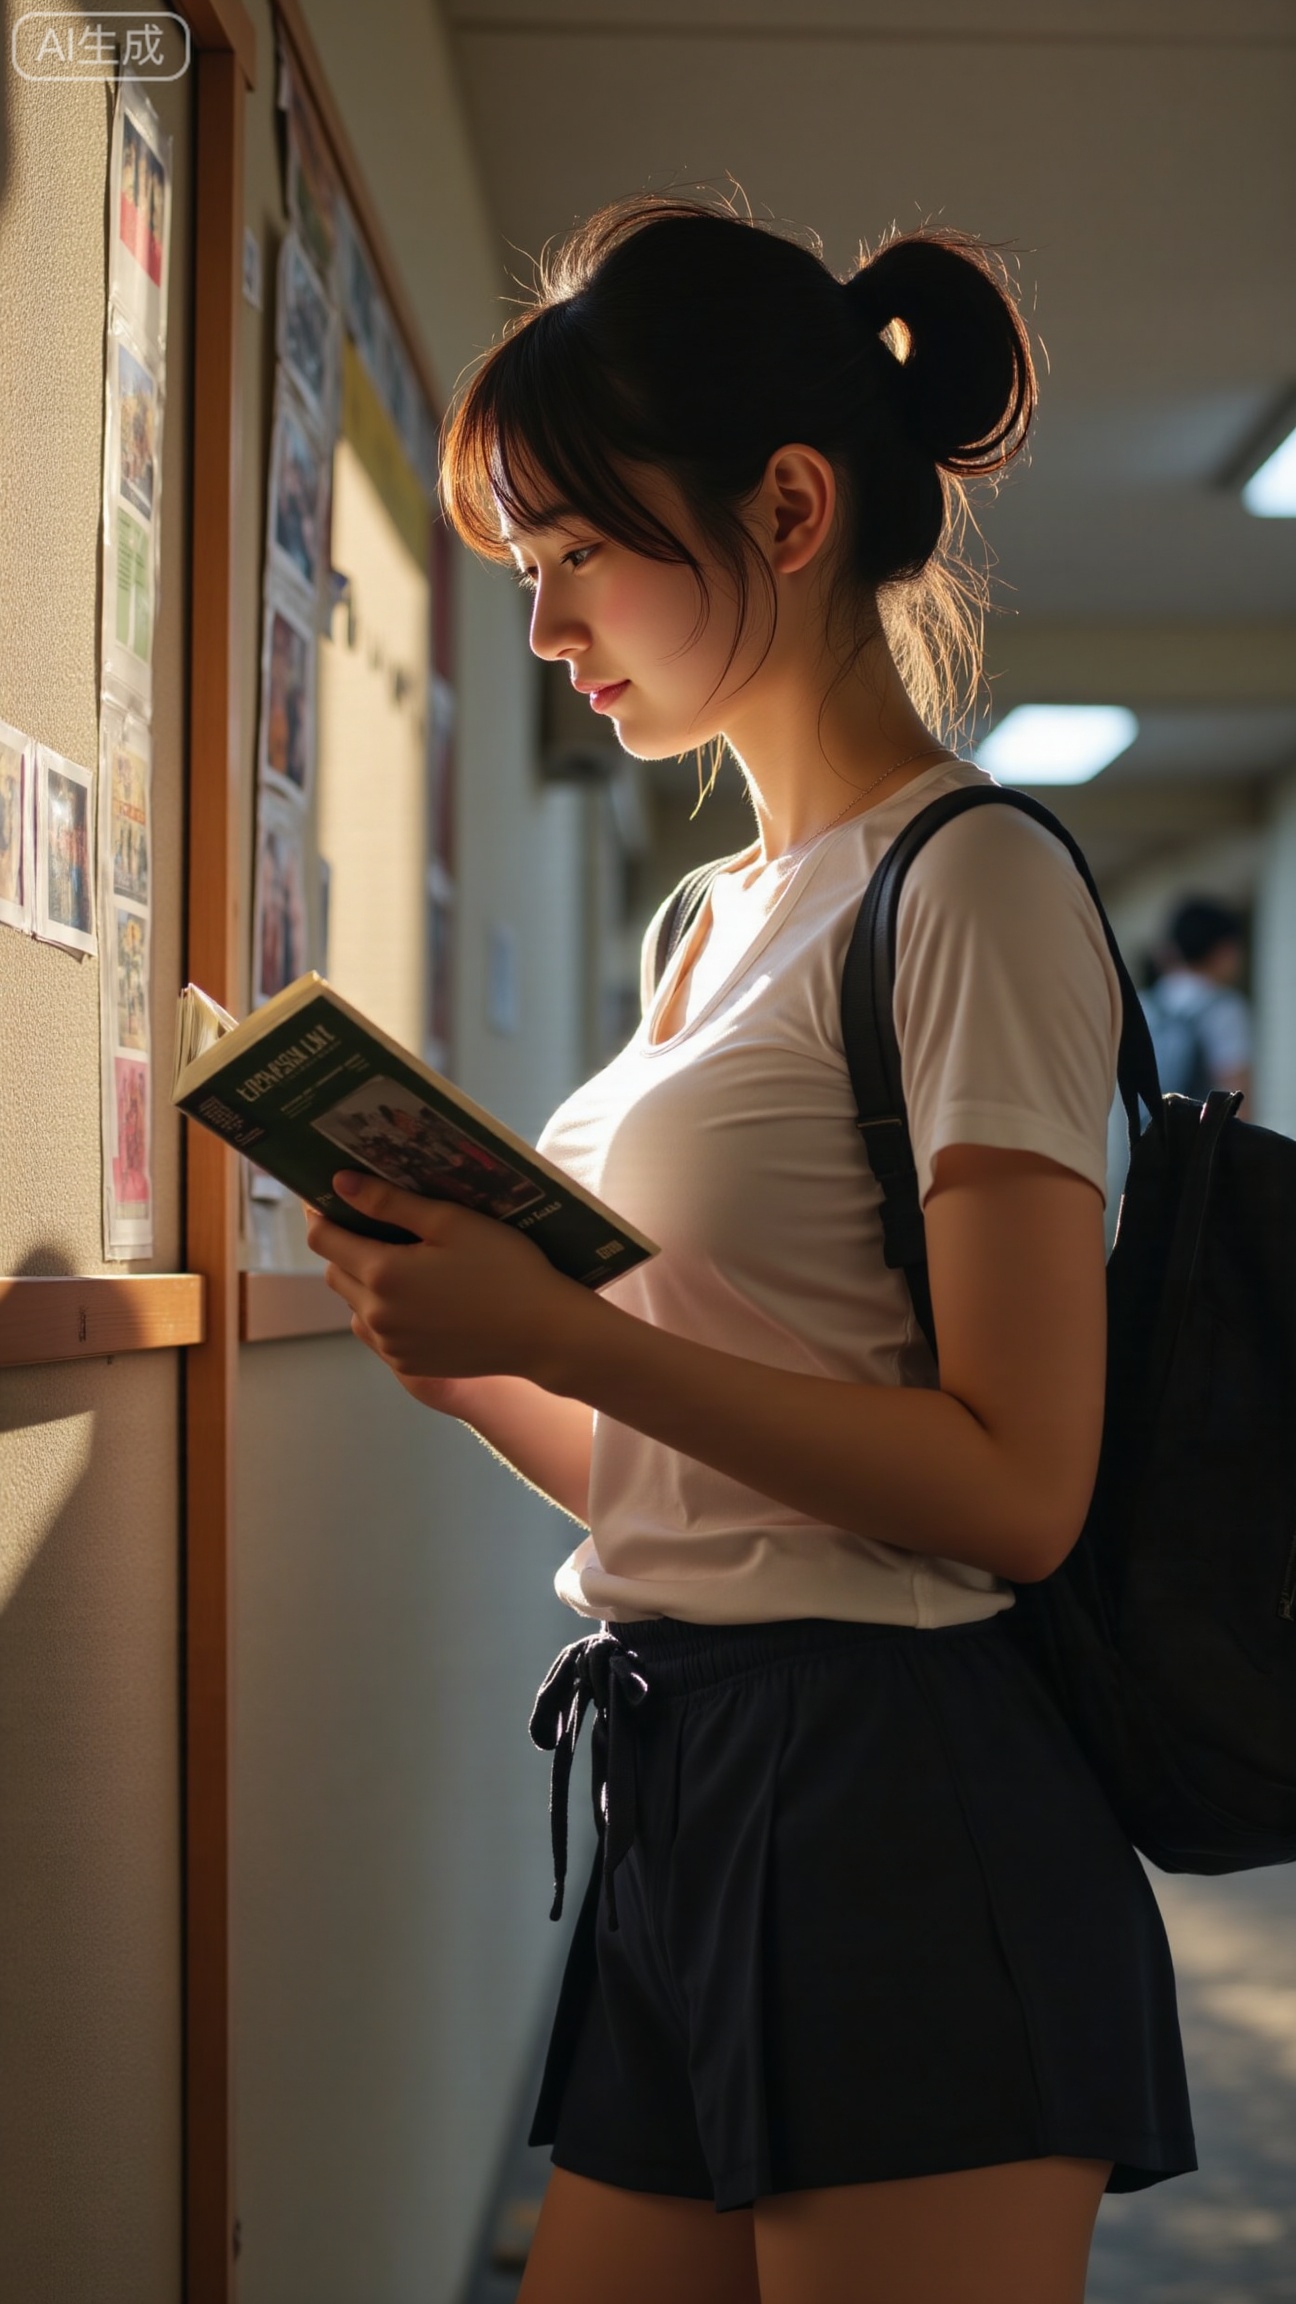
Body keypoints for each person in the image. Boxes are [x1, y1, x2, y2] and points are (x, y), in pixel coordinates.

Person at [304, 197, 1195, 2304]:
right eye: (528, 572)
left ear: (787, 508)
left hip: (901, 1800)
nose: (546, 627)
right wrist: (477, 1361)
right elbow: (708, 1500)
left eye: (575, 558)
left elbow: (1013, 1488)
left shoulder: (971, 888)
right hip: (691, 1772)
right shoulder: (713, 920)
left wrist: (577, 1342)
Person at [1141, 896, 1252, 1105]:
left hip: (1143, 1135)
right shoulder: (1223, 1008)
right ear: (1223, 950)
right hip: (1201, 1135)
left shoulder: (1143, 1005)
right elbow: (1237, 1094)